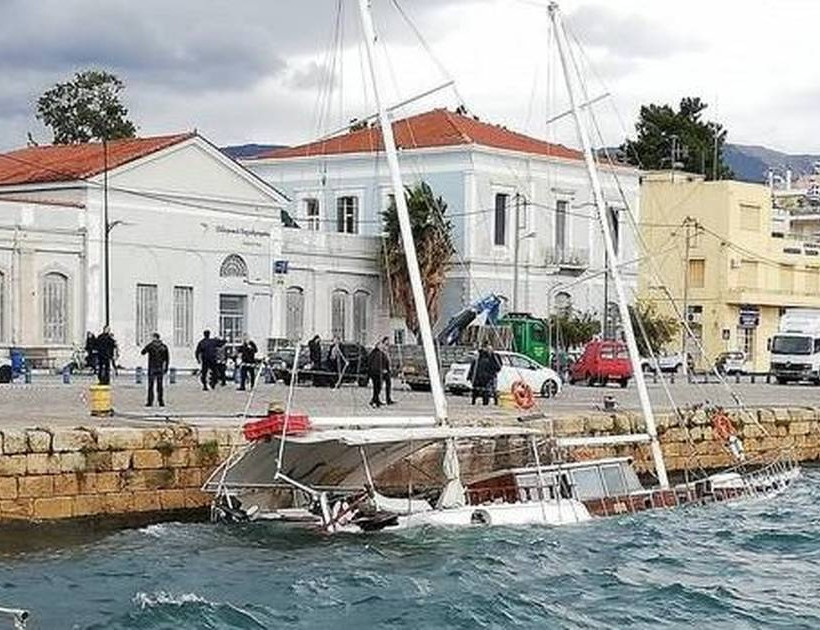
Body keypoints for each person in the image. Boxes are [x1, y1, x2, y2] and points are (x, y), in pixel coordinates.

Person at [141, 332, 169, 407]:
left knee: (150, 386)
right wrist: (166, 368)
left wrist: (147, 345)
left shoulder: (150, 346)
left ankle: (150, 402)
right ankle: (161, 401)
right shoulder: (164, 347)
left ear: (154, 338)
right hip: (160, 368)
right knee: (160, 386)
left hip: (152, 368)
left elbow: (143, 352)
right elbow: (167, 359)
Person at [367, 338, 389, 408]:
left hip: (379, 372)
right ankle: (374, 401)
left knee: (378, 387)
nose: (381, 346)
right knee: (377, 387)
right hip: (375, 373)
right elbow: (371, 362)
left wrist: (384, 369)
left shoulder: (381, 353)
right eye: (380, 345)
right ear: (377, 346)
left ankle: (375, 400)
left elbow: (384, 362)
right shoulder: (374, 353)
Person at [379, 336, 395, 405]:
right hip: (383, 370)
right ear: (384, 341)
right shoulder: (381, 349)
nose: (389, 342)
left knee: (388, 384)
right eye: (387, 341)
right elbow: (381, 360)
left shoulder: (387, 349)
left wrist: (390, 367)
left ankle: (388, 399)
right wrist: (382, 368)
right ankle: (376, 399)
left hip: (387, 369)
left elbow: (388, 359)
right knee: (380, 385)